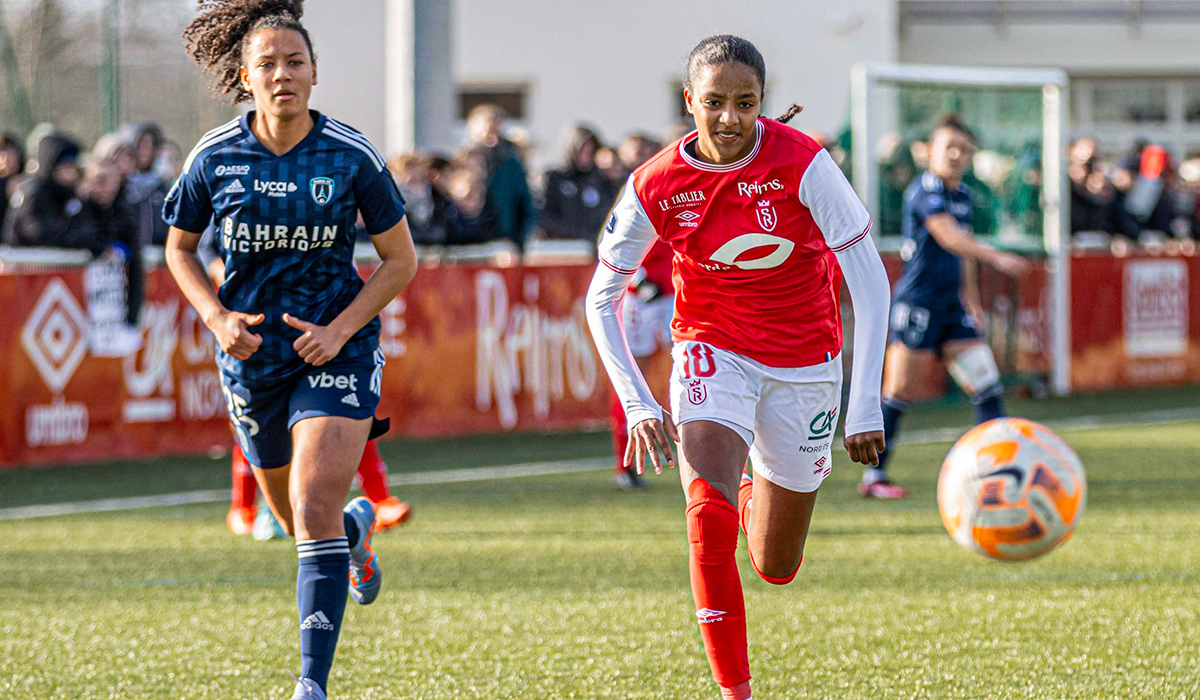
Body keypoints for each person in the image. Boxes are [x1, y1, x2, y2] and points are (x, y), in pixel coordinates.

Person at [586, 35, 891, 700]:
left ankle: (758, 492)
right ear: (689, 101)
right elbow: (600, 296)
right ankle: (736, 692)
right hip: (710, 345)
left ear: (763, 102)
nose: (728, 117)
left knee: (776, 565)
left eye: (745, 103)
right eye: (714, 102)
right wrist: (639, 402)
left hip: (806, 363)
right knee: (704, 518)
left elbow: (869, 281)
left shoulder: (805, 164)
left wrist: (862, 403)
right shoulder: (657, 183)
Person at [162, 3, 417, 698]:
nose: (283, 75)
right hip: (250, 358)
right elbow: (178, 249)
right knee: (298, 517)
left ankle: (311, 683)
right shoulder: (214, 155)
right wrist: (216, 317)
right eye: (268, 64)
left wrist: (340, 330)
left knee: (310, 504)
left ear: (314, 73)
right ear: (246, 75)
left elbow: (400, 260)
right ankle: (355, 536)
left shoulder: (350, 153)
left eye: (295, 62)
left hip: (335, 348)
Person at [863, 114, 1031, 499]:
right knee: (899, 391)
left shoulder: (964, 197)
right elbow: (948, 237)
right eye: (949, 148)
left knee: (986, 382)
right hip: (918, 303)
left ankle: (999, 468)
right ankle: (874, 478)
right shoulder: (924, 191)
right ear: (929, 153)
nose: (957, 156)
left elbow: (962, 253)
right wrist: (998, 257)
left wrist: (971, 298)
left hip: (952, 307)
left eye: (965, 150)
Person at [464, 104, 537, 252]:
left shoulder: (511, 164)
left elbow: (526, 204)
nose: (493, 138)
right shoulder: (465, 161)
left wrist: (518, 239)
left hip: (506, 242)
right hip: (471, 243)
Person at [539, 124, 617, 241]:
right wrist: (575, 235)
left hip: (594, 247)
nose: (585, 158)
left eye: (590, 152)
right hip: (560, 247)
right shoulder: (553, 179)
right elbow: (545, 216)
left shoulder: (601, 181)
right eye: (582, 151)